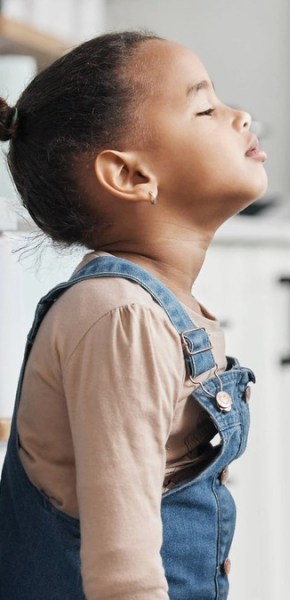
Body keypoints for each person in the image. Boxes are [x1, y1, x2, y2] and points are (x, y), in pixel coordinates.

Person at [0, 31, 268, 599]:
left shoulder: (156, 309)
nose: (241, 116)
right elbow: (124, 578)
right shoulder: (121, 319)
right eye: (206, 108)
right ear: (130, 175)